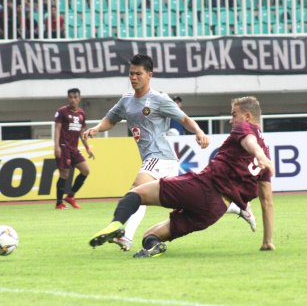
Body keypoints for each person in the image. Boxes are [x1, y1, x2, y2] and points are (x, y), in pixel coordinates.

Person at [89, 96, 275, 258]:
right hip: (214, 211)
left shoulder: (244, 130)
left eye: (234, 114)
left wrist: (258, 154)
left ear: (248, 117)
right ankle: (155, 246)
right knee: (150, 236)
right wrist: (267, 241)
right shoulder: (266, 153)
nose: (231, 120)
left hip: (202, 188)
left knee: (135, 193)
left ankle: (116, 225)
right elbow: (267, 202)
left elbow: (250, 141)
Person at [83, 54, 228, 252]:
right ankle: (236, 207)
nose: (133, 78)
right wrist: (97, 129)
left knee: (136, 189)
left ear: (149, 75)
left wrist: (200, 132)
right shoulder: (126, 100)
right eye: (131, 74)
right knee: (188, 200)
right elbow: (111, 119)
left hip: (160, 156)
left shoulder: (159, 100)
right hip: (160, 160)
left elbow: (184, 119)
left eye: (138, 74)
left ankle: (125, 236)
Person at [54, 88, 95, 209]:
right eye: (70, 97)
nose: (73, 100)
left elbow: (82, 132)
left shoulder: (82, 113)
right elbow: (57, 129)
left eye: (75, 97)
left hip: (74, 149)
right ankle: (59, 203)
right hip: (63, 147)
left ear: (79, 99)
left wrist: (87, 148)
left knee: (85, 170)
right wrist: (56, 146)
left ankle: (70, 196)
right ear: (68, 98)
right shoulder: (62, 112)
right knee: (64, 174)